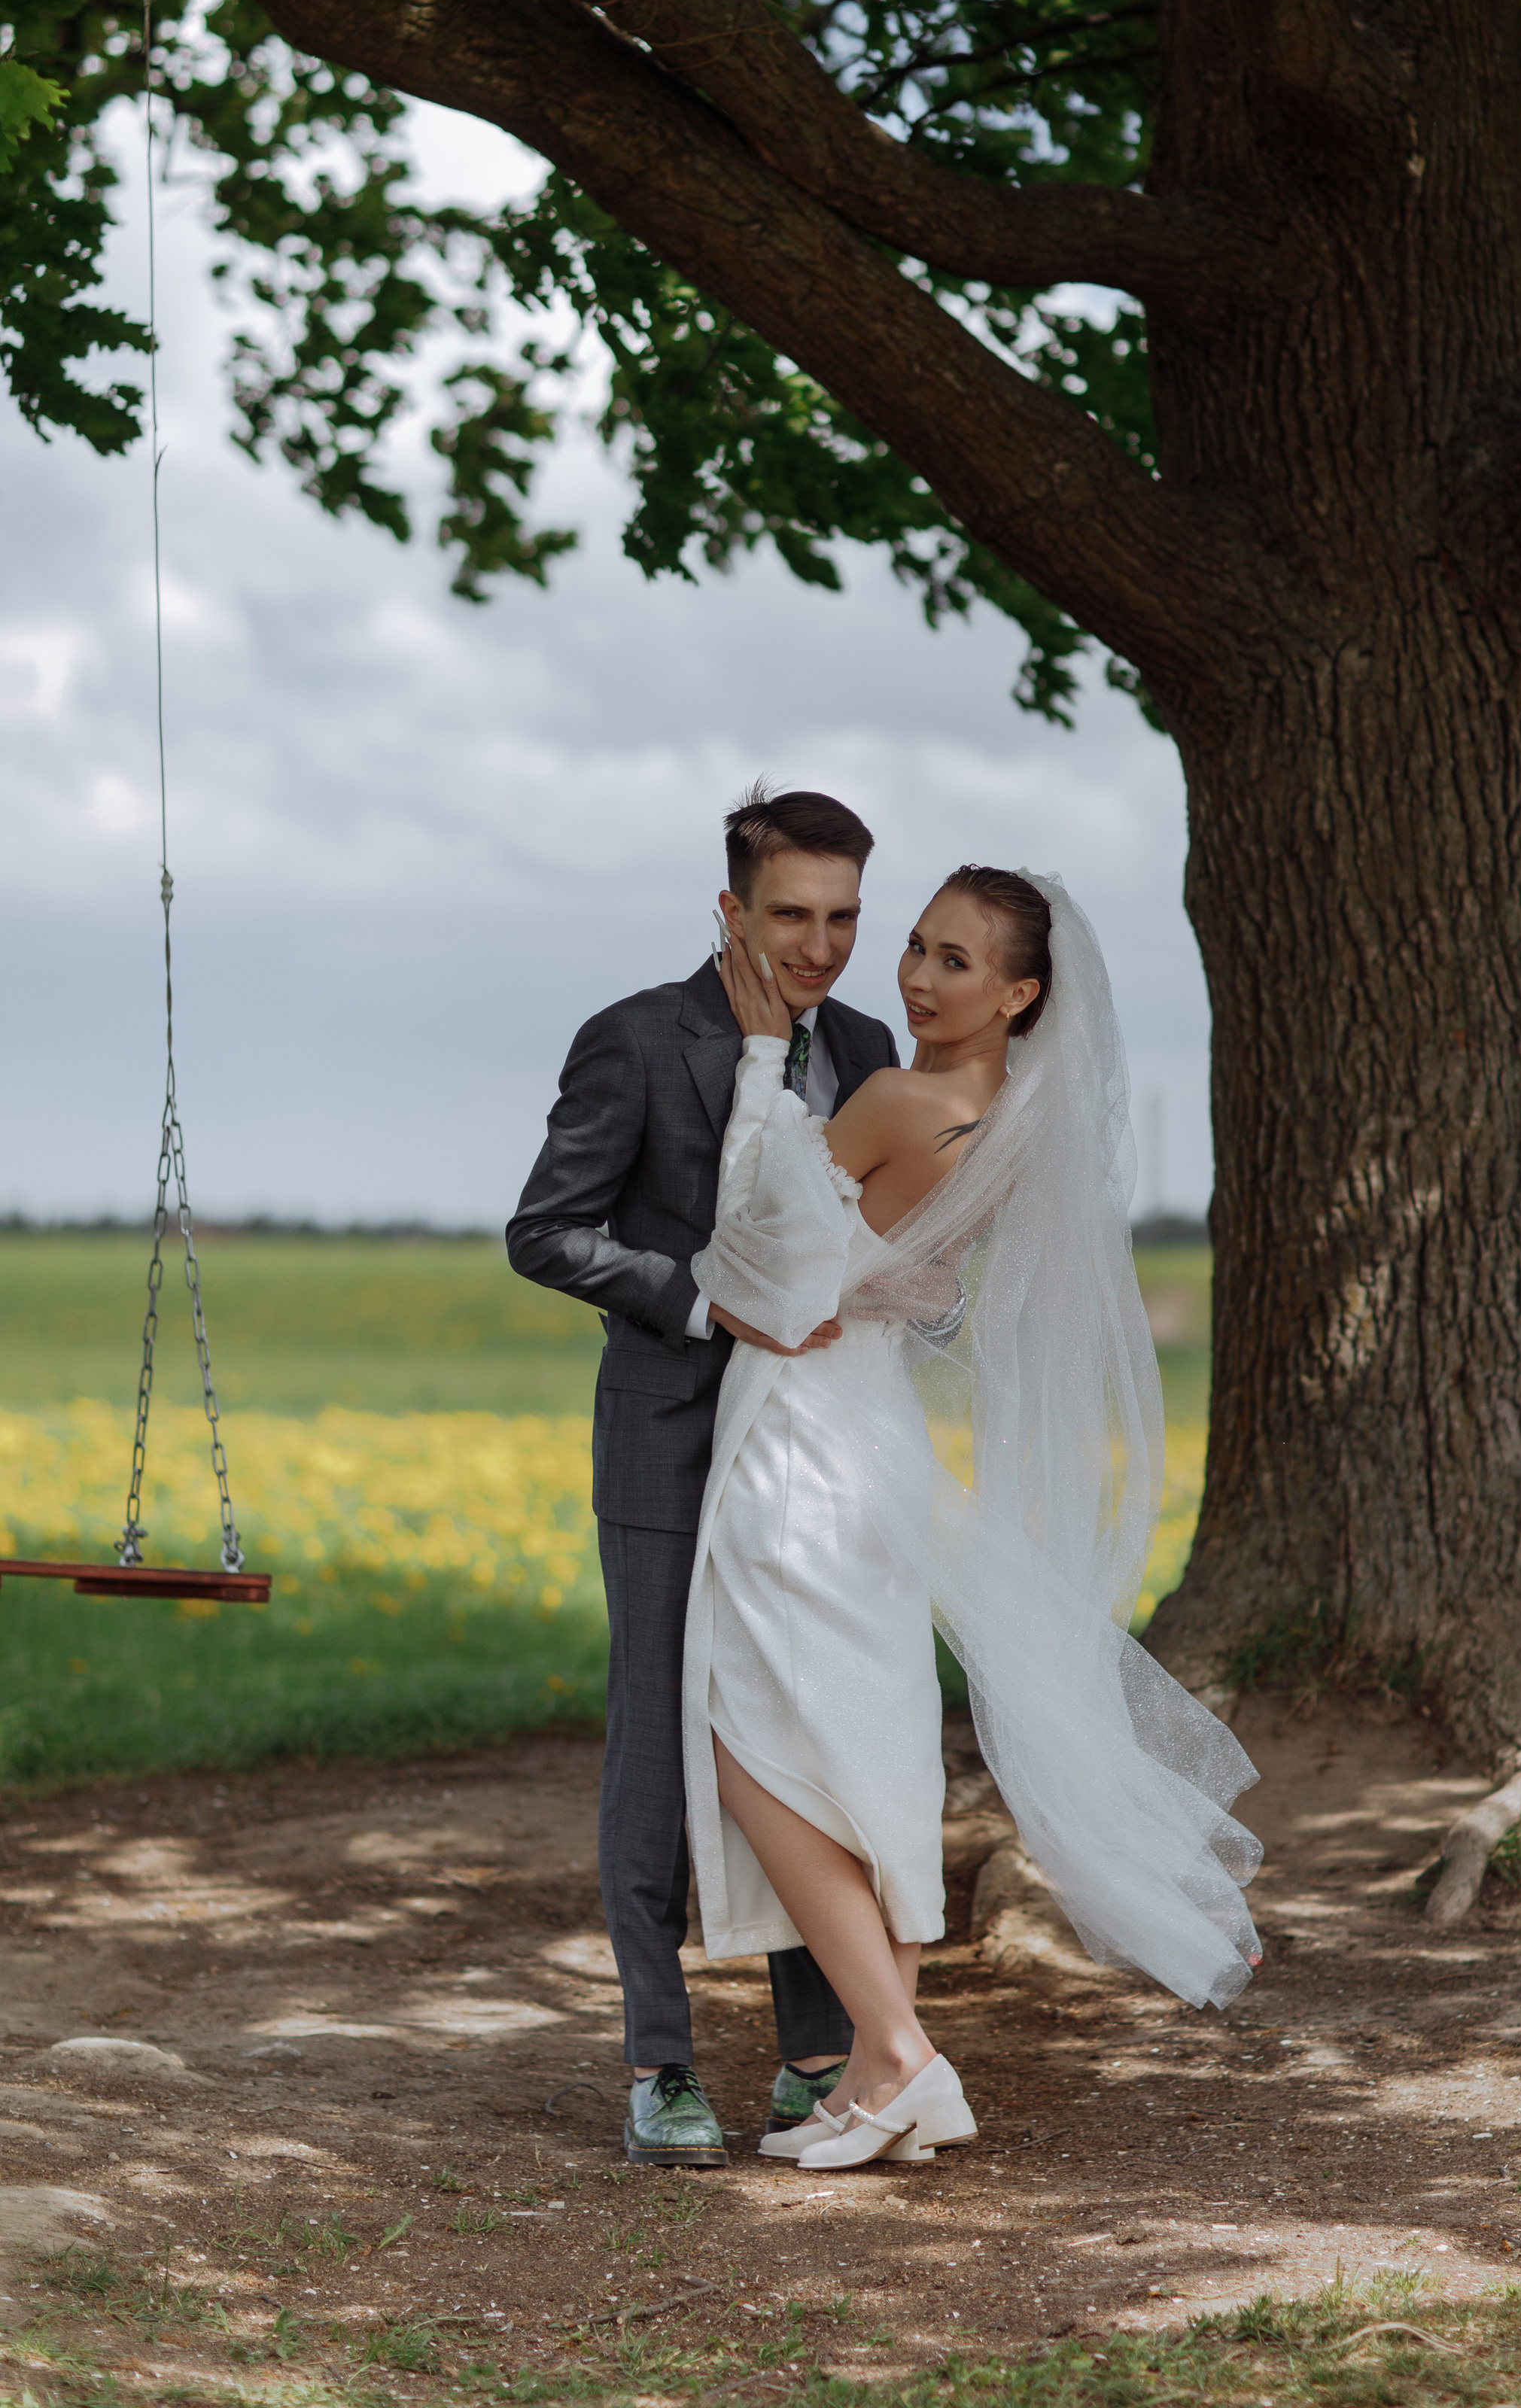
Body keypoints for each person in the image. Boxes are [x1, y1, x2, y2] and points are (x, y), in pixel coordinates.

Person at [685, 865, 1262, 2172]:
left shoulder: (896, 1095)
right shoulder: (1015, 1124)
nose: (914, 979)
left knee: (746, 1736)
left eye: (954, 963)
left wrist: (766, 1057)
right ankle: (881, 2073)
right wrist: (872, 1282)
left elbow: (755, 1253)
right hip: (874, 1421)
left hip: (803, 1430)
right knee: (863, 1751)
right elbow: (922, 1277)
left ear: (1020, 993)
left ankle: (899, 2058)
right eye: (916, 950)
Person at [505, 783, 901, 2167]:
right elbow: (545, 1233)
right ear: (729, 909)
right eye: (791, 915)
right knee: (660, 1739)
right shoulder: (631, 1038)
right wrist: (698, 1302)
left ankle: (811, 2050)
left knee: (801, 1730)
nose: (821, 947)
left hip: (810, 1444)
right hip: (670, 1435)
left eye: (844, 916)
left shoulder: (864, 1043)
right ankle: (659, 2060)